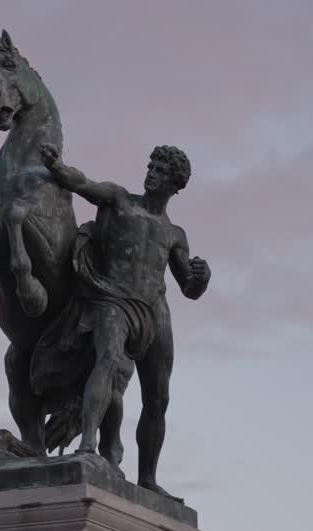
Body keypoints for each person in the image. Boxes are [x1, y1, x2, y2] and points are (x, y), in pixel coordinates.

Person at [37, 142, 210, 495]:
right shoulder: (119, 200)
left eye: (161, 171)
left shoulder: (175, 234)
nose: (152, 173)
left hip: (155, 313)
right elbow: (83, 184)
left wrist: (202, 278)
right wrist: (57, 167)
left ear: (175, 185)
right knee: (107, 360)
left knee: (158, 400)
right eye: (151, 167)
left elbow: (188, 288)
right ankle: (88, 445)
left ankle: (148, 478)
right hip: (113, 299)